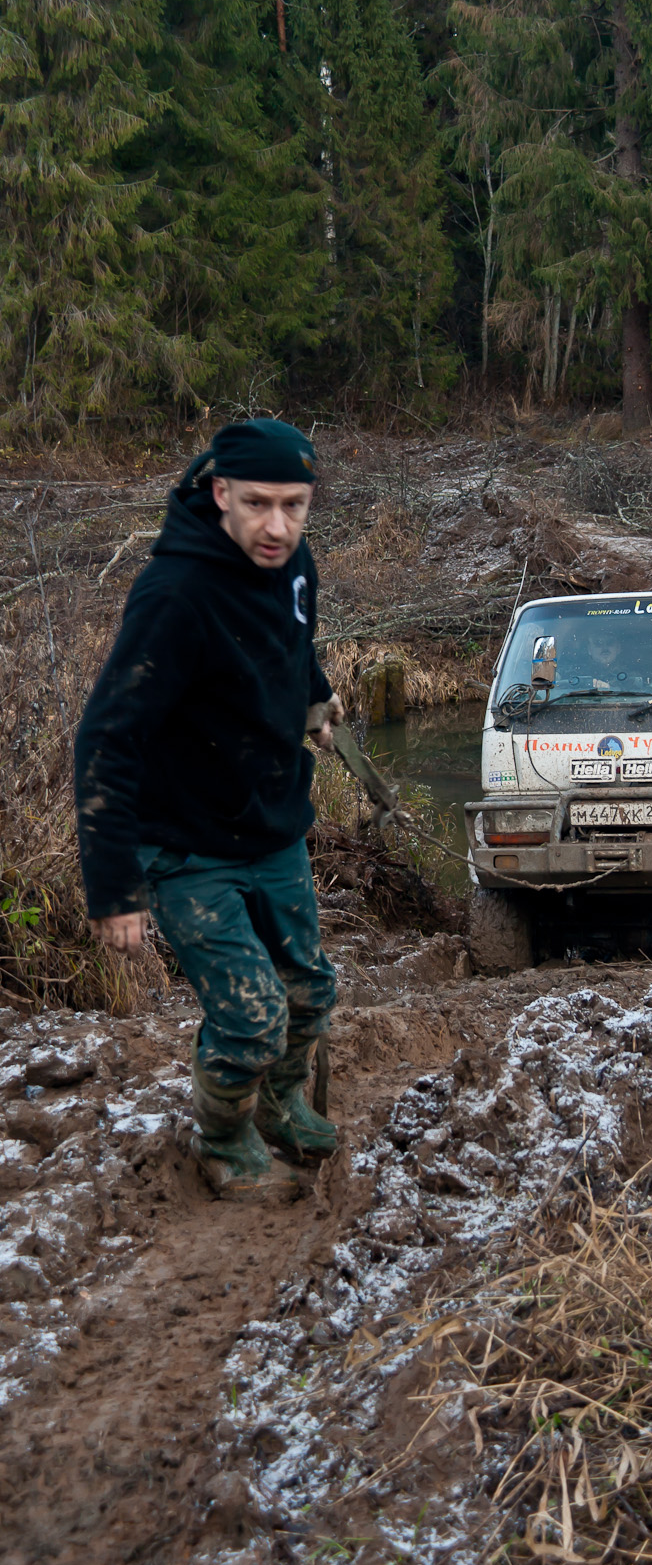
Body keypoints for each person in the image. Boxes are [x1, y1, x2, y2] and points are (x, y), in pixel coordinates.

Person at [75, 419, 342, 1203]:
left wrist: (315, 697)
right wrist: (113, 888)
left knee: (308, 992)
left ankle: (281, 1105)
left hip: (271, 826)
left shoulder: (294, 564)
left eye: (293, 506)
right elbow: (107, 739)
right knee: (251, 1018)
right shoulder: (175, 595)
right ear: (220, 492)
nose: (277, 527)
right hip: (186, 848)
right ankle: (223, 1140)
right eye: (257, 504)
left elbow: (293, 640)